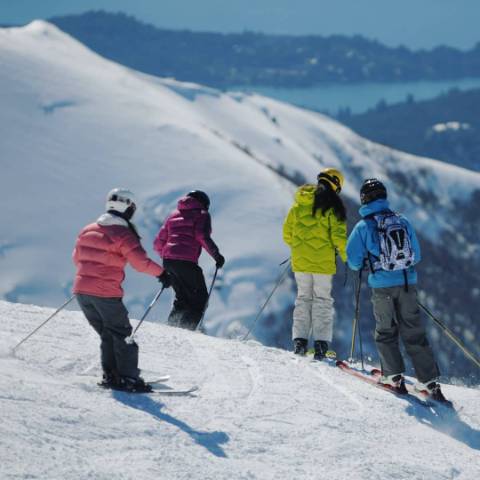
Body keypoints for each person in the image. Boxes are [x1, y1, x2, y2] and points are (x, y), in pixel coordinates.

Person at [346, 178, 449, 402]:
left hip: (382, 287)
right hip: (407, 283)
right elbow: (416, 255)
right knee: (414, 331)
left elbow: (353, 261)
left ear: (364, 199)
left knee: (386, 331)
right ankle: (429, 381)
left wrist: (367, 263)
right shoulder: (402, 221)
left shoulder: (363, 226)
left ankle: (394, 377)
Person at [73, 188, 171, 393]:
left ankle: (112, 375)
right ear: (128, 208)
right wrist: (162, 274)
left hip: (82, 291)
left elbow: (77, 258)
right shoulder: (123, 234)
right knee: (122, 334)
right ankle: (128, 379)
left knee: (108, 334)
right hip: (105, 292)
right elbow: (140, 263)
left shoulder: (88, 229)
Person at [283, 168, 347, 360]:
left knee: (303, 299)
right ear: (336, 184)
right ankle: (320, 346)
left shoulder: (298, 205)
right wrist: (350, 259)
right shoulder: (333, 207)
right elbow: (339, 238)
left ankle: (300, 343)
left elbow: (287, 234)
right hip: (322, 264)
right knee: (322, 301)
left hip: (301, 262)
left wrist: (300, 249)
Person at [154, 190, 225, 331]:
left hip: (168, 262)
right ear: (204, 203)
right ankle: (186, 331)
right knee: (200, 299)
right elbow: (201, 235)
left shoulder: (172, 215)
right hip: (186, 262)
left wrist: (168, 256)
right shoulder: (202, 214)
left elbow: (158, 243)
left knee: (182, 299)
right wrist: (217, 255)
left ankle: (170, 330)